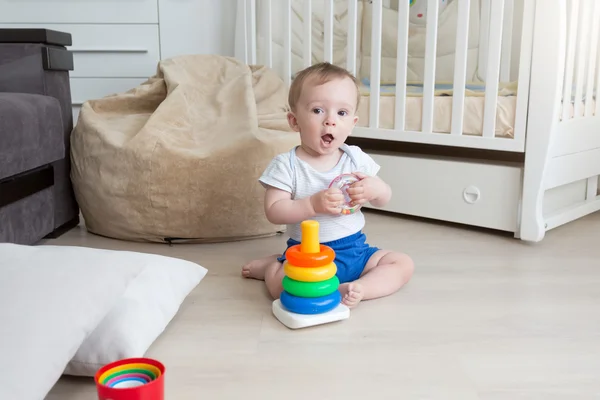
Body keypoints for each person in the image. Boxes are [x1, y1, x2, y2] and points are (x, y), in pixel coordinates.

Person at [241, 62, 414, 308]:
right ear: (294, 121)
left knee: (402, 263)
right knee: (281, 290)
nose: (330, 121)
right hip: (307, 256)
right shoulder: (286, 165)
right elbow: (274, 210)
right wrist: (312, 204)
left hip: (355, 250)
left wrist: (376, 189)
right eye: (318, 110)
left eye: (341, 113)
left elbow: (384, 197)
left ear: (352, 123)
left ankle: (361, 288)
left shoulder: (355, 158)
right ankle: (274, 266)